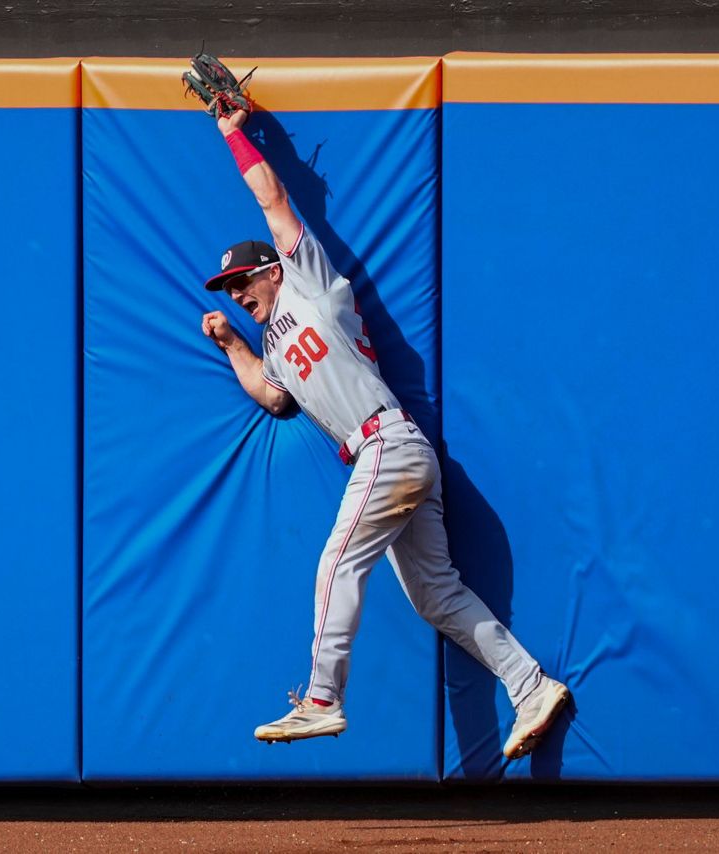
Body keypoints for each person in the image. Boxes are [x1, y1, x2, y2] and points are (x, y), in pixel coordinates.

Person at [199, 107, 569, 760]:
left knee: (335, 563)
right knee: (436, 595)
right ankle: (531, 685)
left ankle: (320, 699)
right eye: (227, 289)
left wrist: (232, 133)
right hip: (389, 457)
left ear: (272, 270)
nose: (235, 292)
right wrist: (232, 343)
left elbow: (273, 197)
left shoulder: (307, 281)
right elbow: (272, 396)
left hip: (386, 445)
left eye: (241, 281)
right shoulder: (270, 341)